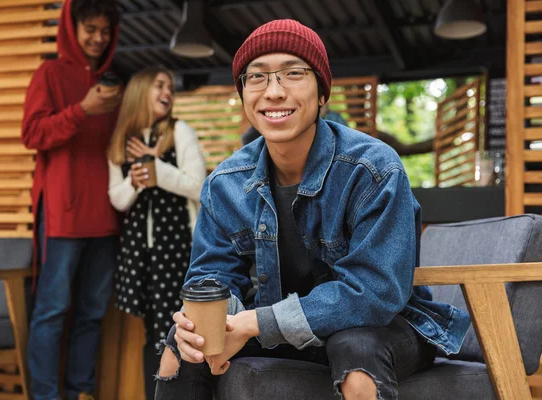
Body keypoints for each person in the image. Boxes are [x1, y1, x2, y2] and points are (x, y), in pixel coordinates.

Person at [154, 19, 470, 399]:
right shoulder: (225, 183)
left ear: (322, 93)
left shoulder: (373, 170)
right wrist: (211, 322)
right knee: (181, 346)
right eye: (257, 77)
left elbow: (375, 292)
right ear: (243, 95)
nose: (274, 91)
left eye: (293, 73)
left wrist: (255, 322)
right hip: (271, 325)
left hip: (381, 326)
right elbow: (212, 276)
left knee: (355, 349)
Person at [21, 0, 120, 399]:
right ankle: (45, 395)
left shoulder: (116, 82)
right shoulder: (49, 74)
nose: (98, 38)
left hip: (108, 216)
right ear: (71, 27)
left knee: (92, 314)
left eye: (105, 30)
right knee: (52, 311)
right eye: (90, 29)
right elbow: (32, 134)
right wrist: (82, 110)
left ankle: (81, 391)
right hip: (62, 213)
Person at [107, 66, 206, 400]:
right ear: (140, 91)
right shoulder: (121, 140)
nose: (168, 92)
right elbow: (117, 200)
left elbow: (200, 187)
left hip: (177, 247)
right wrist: (135, 182)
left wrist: (156, 168)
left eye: (170, 87)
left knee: (180, 330)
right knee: (152, 331)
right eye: (159, 85)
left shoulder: (180, 132)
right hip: (140, 252)